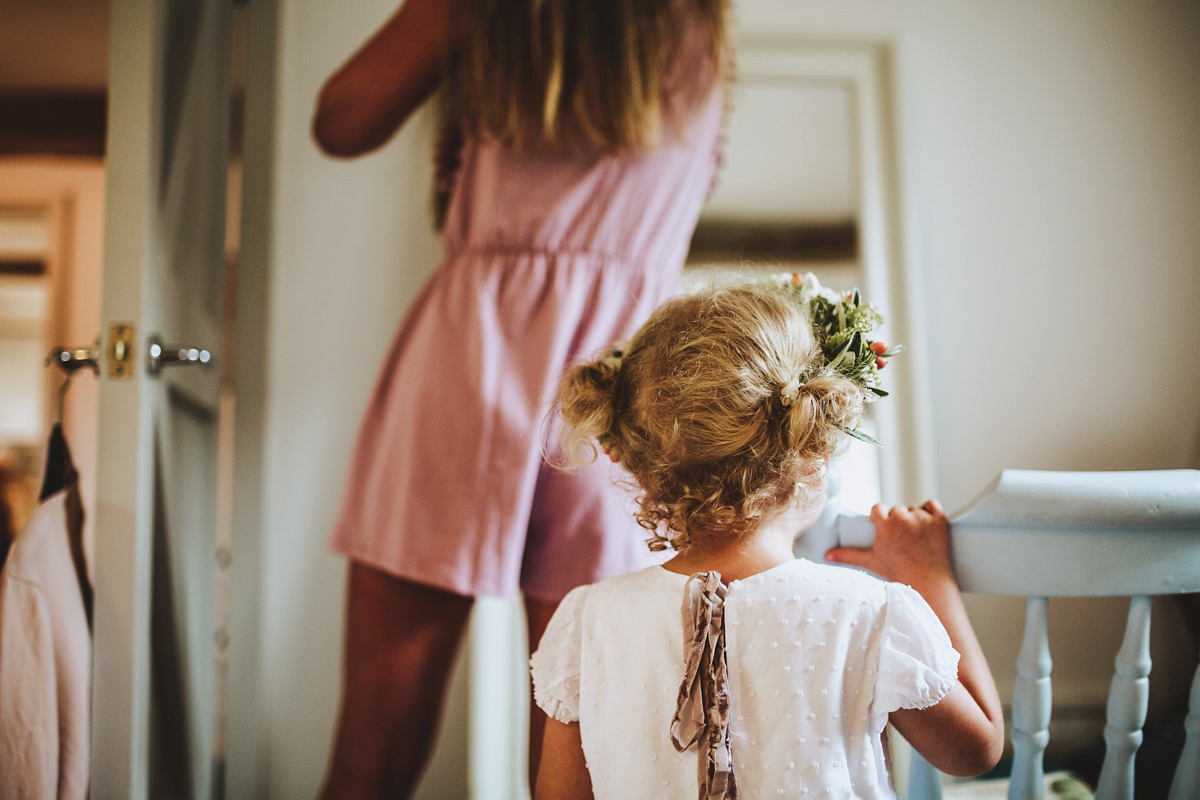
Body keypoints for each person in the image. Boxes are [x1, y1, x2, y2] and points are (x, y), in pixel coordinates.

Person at [311, 0, 731, 796]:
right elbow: (340, 120)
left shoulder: (698, 23)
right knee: (383, 746)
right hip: (504, 364)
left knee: (579, 754)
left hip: (620, 388)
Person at [531, 284, 1005, 799]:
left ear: (639, 464)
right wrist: (929, 576)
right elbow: (975, 751)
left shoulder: (586, 621)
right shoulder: (867, 613)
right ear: (816, 448)